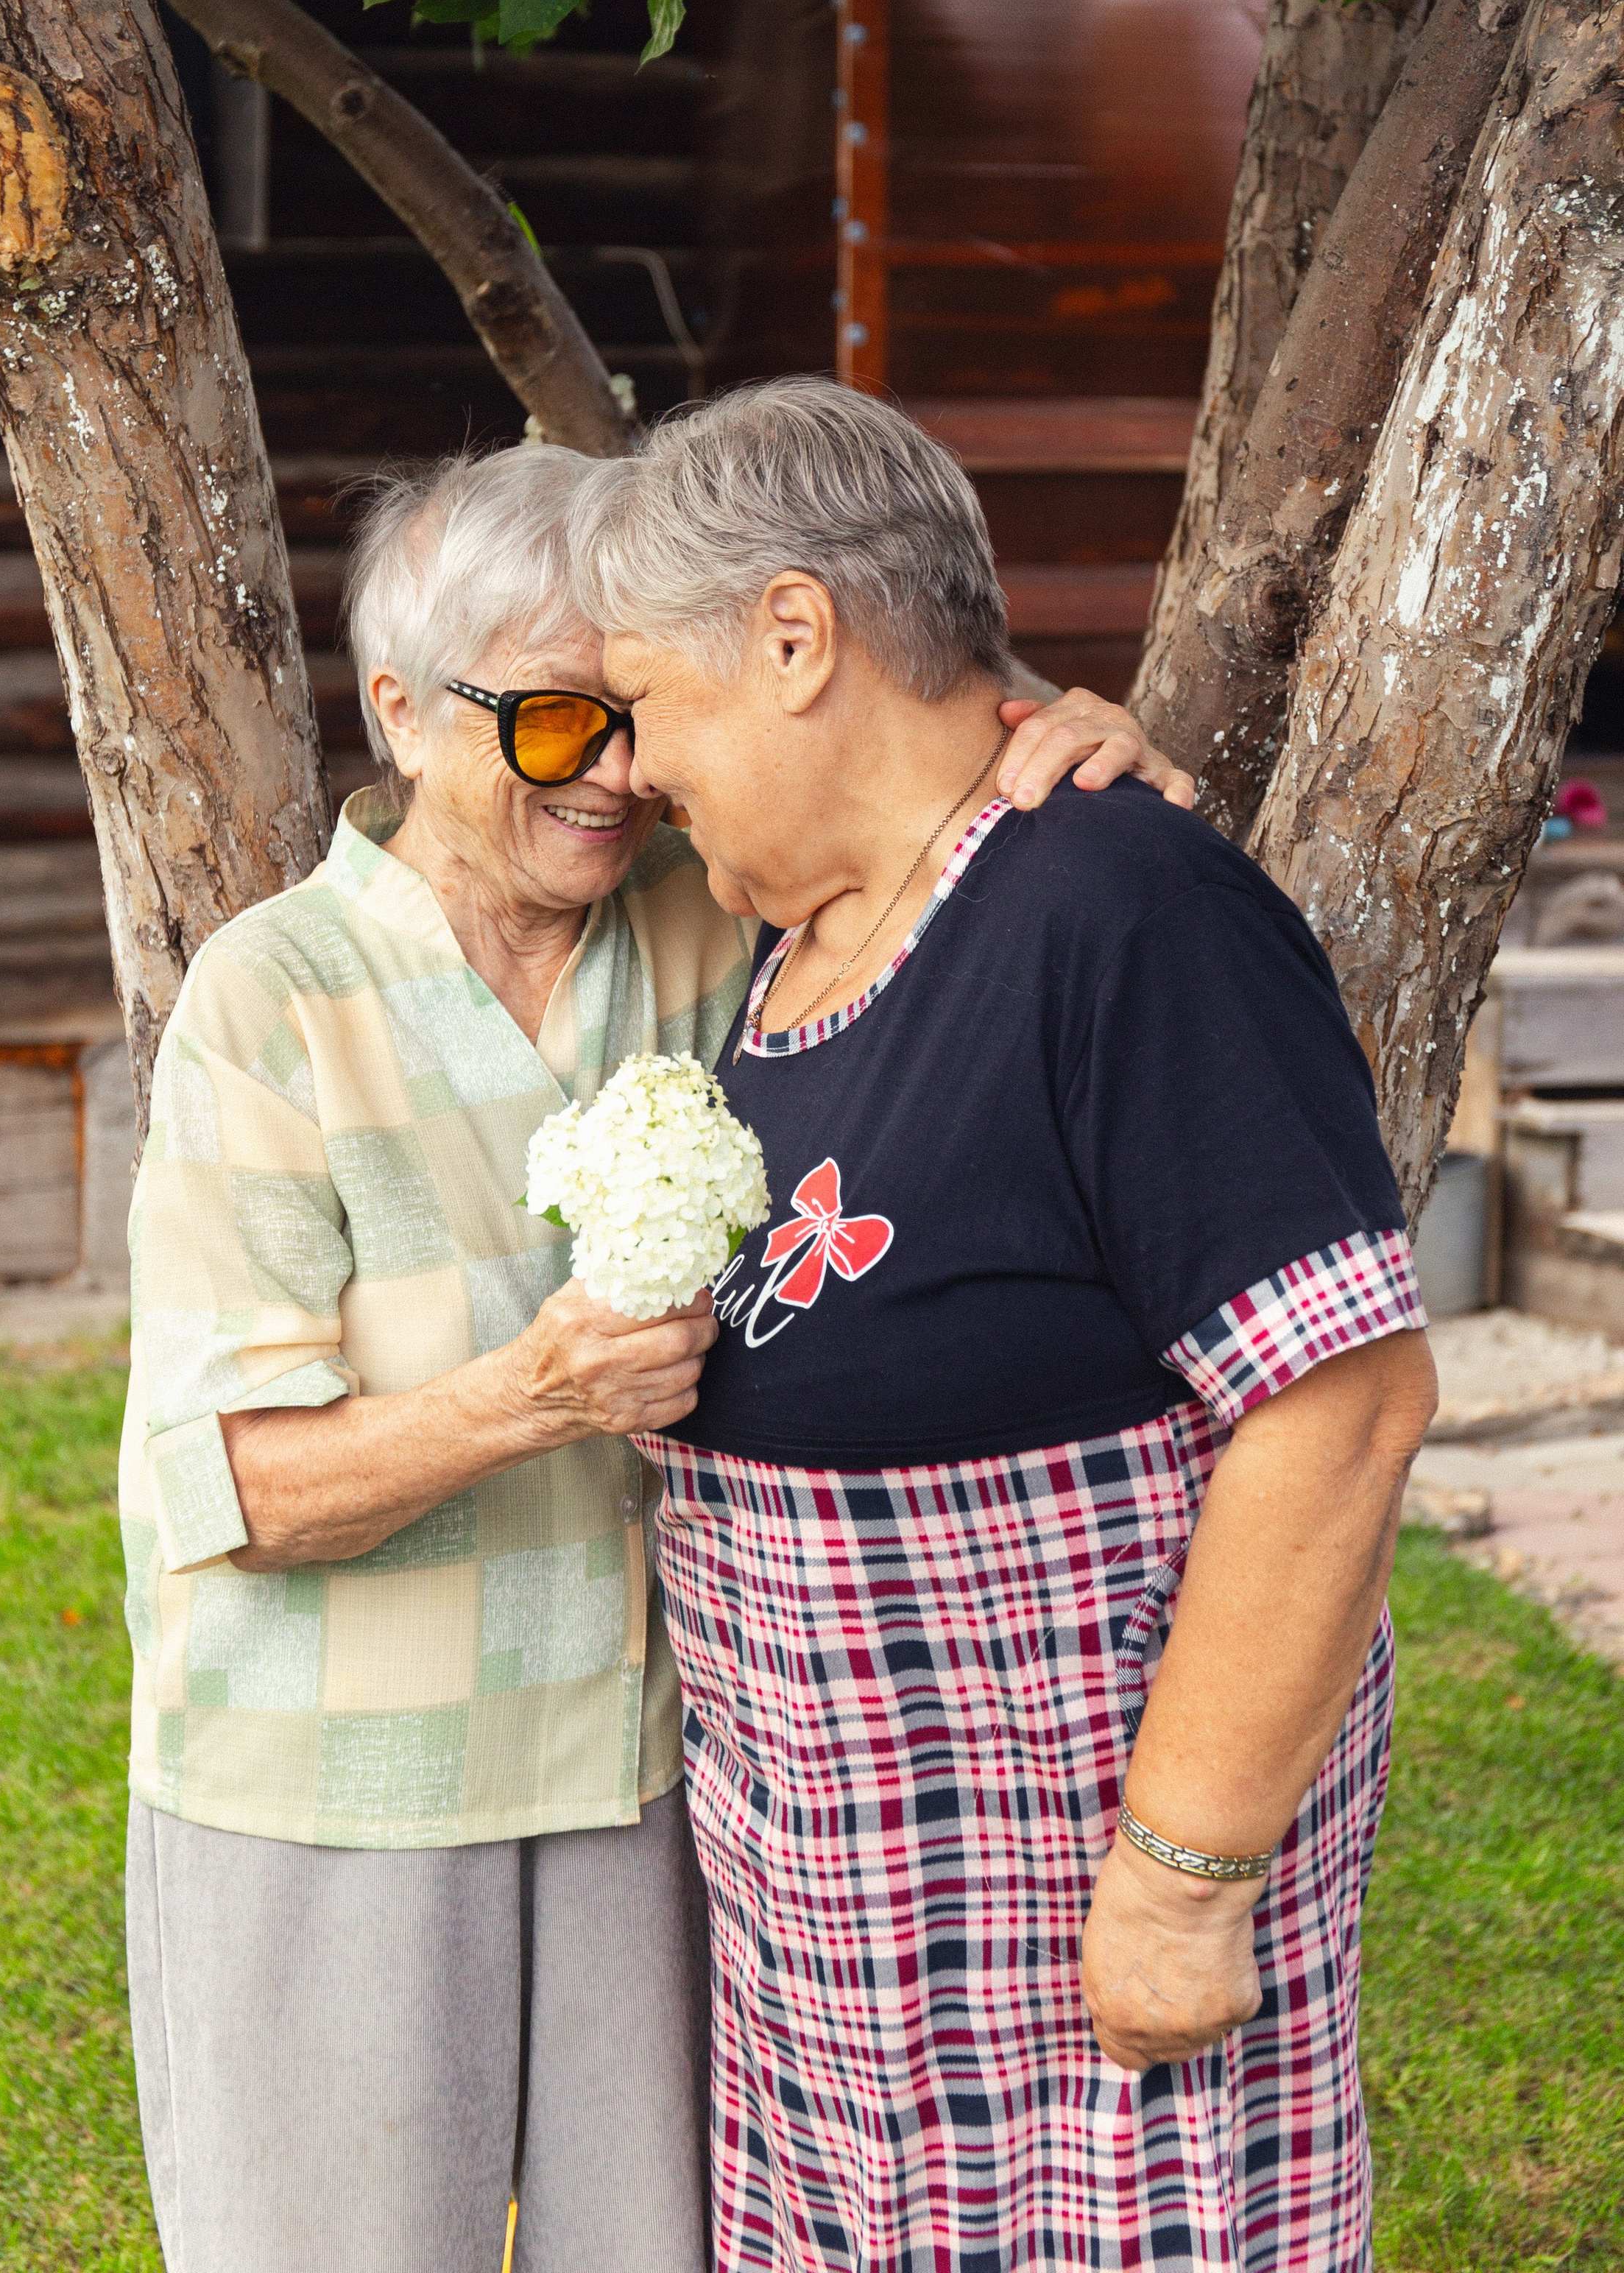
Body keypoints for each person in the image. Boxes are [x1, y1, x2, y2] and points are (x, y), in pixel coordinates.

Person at [116, 437, 1188, 2273]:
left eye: (630, 715)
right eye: (547, 726)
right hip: (345, 1793)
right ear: (400, 710)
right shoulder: (272, 998)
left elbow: (913, 794)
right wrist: (531, 1392)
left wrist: (1071, 743)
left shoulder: (715, 915)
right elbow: (232, 1486)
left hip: (657, 1784)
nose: (613, 777)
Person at [567, 379, 1438, 2273]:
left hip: (1064, 1951)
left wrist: (1186, 1882)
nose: (627, 767)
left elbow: (1340, 1408)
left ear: (796, 638)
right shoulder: (798, 937)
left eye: (644, 702)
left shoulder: (1118, 909)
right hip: (849, 1976)